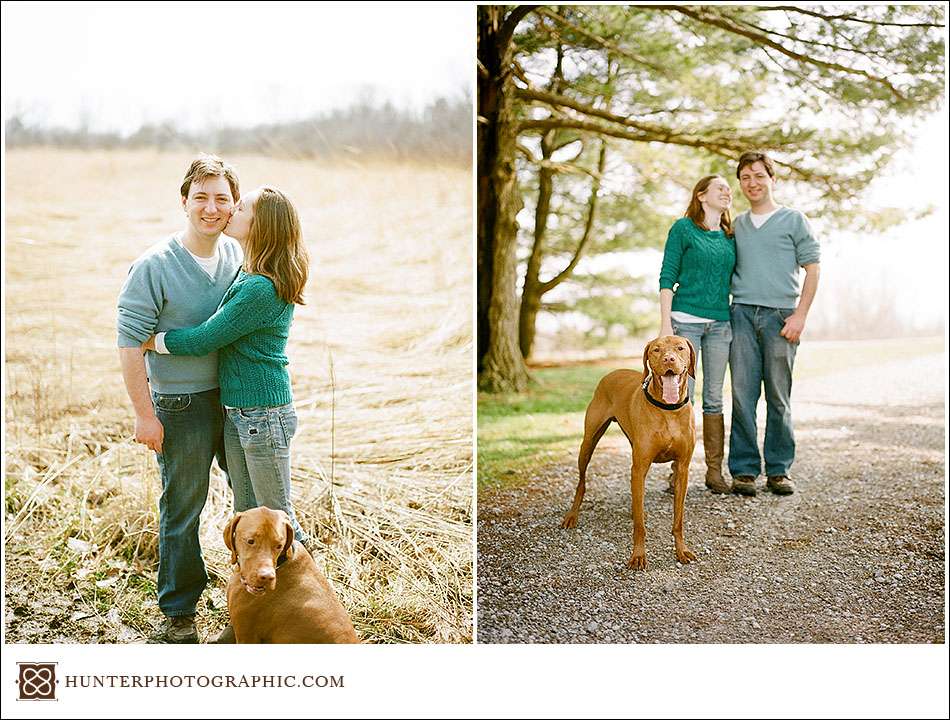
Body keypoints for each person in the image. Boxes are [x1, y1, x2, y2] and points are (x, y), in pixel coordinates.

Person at [143, 186, 312, 552]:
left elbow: (207, 337)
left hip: (263, 414)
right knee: (249, 514)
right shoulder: (248, 271)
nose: (232, 209)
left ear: (261, 224)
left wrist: (152, 341)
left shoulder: (260, 289)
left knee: (278, 520)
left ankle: (306, 600)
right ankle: (257, 597)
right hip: (241, 412)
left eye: (243, 206)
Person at [117, 154, 243, 643]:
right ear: (184, 201)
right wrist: (144, 416)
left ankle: (252, 601)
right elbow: (130, 345)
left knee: (253, 502)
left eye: (222, 199)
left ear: (234, 205)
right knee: (183, 509)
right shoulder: (154, 265)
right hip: (179, 405)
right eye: (201, 198)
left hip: (234, 402)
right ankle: (180, 612)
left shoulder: (237, 255)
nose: (211, 208)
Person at [728, 150, 821, 496]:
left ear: (772, 179)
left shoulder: (794, 220)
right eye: (745, 177)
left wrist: (800, 315)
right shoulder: (736, 224)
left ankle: (779, 470)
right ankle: (744, 470)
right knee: (741, 395)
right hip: (740, 314)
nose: (752, 183)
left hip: (781, 317)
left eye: (758, 175)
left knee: (778, 397)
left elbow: (813, 269)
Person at [659, 175, 736, 494]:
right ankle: (678, 471)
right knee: (680, 393)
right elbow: (667, 275)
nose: (728, 192)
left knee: (715, 396)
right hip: (685, 325)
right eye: (721, 188)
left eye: (729, 189)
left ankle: (714, 471)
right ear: (702, 195)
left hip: (720, 324)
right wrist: (666, 326)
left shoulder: (731, 235)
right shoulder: (683, 228)